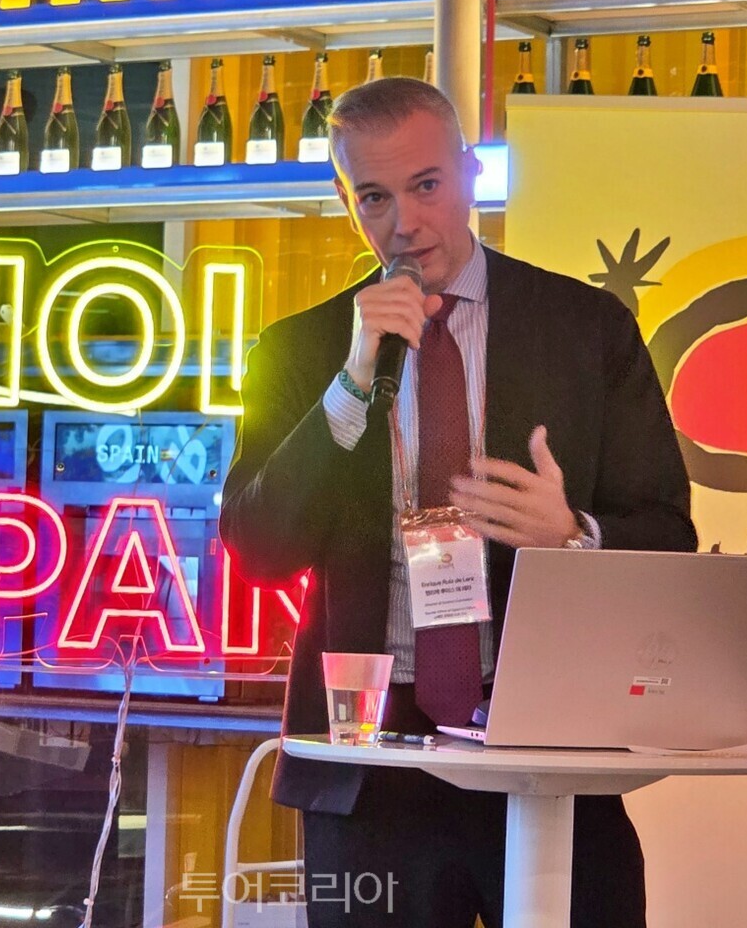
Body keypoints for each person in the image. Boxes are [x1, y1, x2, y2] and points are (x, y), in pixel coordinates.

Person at [219, 76, 697, 928]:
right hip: (371, 762)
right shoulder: (300, 349)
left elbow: (669, 534)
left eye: (427, 185)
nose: (404, 222)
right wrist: (350, 385)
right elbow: (257, 549)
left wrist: (573, 537)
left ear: (473, 173)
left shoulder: (586, 328)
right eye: (374, 197)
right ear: (346, 200)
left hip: (549, 748)